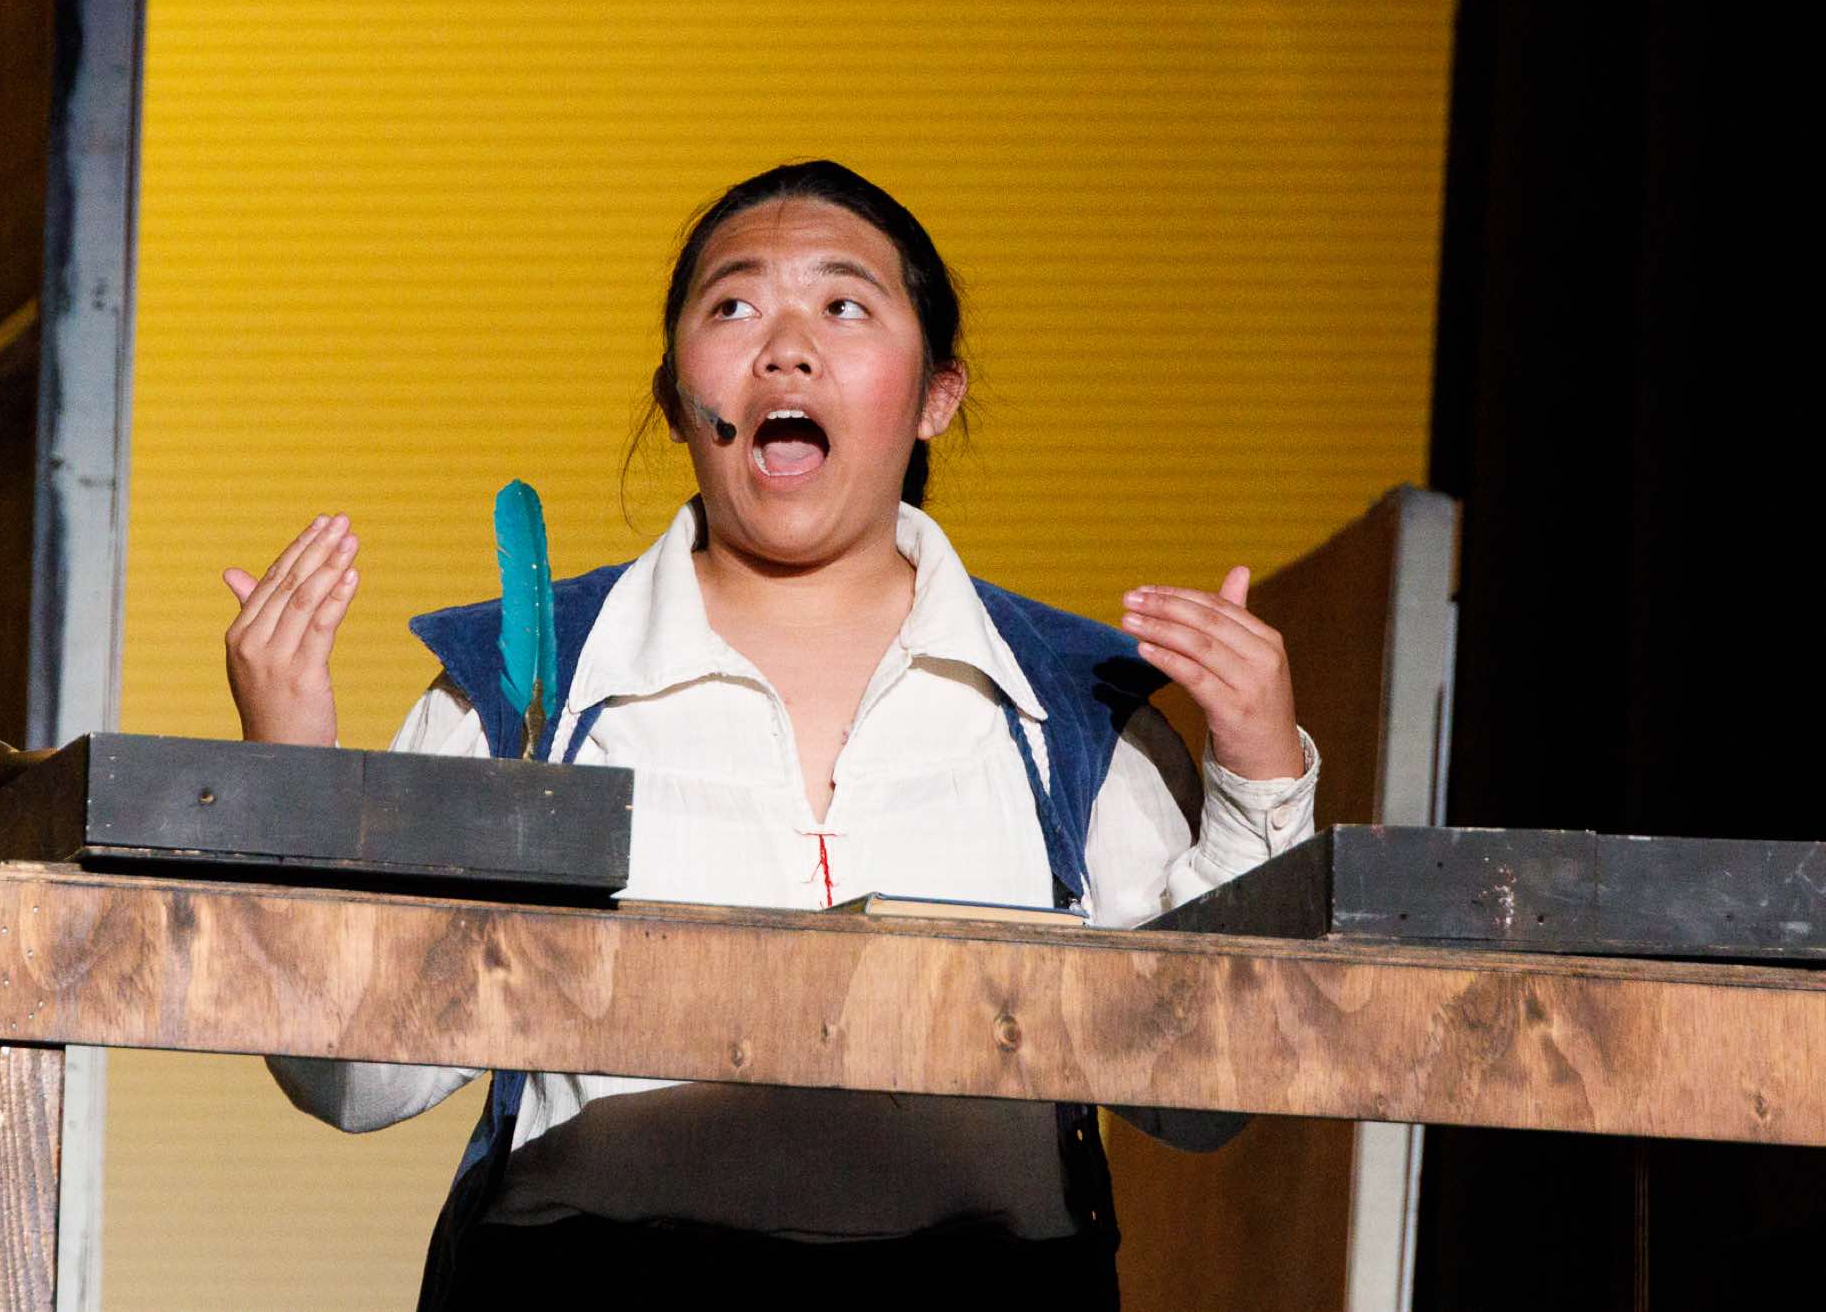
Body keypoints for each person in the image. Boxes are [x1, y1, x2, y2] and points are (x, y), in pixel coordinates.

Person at [225, 161, 1318, 1309]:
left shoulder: (1070, 710)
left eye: (844, 306)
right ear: (674, 397)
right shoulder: (526, 688)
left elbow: (1198, 1102)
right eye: (735, 305)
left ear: (935, 395)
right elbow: (357, 1082)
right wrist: (289, 784)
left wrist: (1259, 775)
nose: (786, 349)